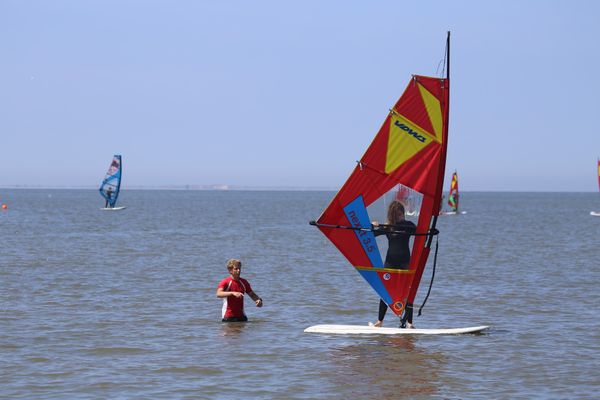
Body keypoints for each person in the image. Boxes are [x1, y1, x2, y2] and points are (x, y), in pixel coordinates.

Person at [371, 201, 416, 328]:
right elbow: (372, 234)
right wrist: (372, 226)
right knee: (385, 292)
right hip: (390, 263)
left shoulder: (408, 226)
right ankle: (380, 321)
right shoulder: (388, 227)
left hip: (405, 263)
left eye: (401, 213)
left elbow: (420, 232)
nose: (400, 216)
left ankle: (410, 323)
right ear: (392, 215)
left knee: (408, 292)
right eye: (397, 214)